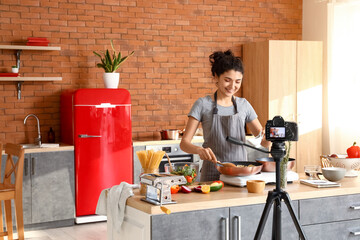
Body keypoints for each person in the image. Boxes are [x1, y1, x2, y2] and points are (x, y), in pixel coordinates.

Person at [180, 50, 270, 181]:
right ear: (216, 77)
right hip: (211, 173)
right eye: (227, 80)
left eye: (238, 82)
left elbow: (264, 142)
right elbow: (184, 144)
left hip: (240, 174)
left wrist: (269, 137)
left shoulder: (244, 105)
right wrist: (199, 150)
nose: (232, 86)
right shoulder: (202, 104)